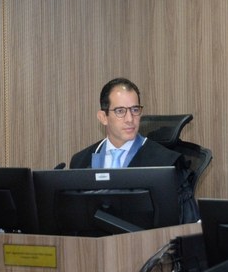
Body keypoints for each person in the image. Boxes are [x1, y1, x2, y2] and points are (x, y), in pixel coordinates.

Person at [69, 77, 199, 222]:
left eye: (135, 110)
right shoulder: (81, 161)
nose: (130, 118)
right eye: (120, 111)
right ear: (103, 117)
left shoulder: (167, 164)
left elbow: (186, 225)